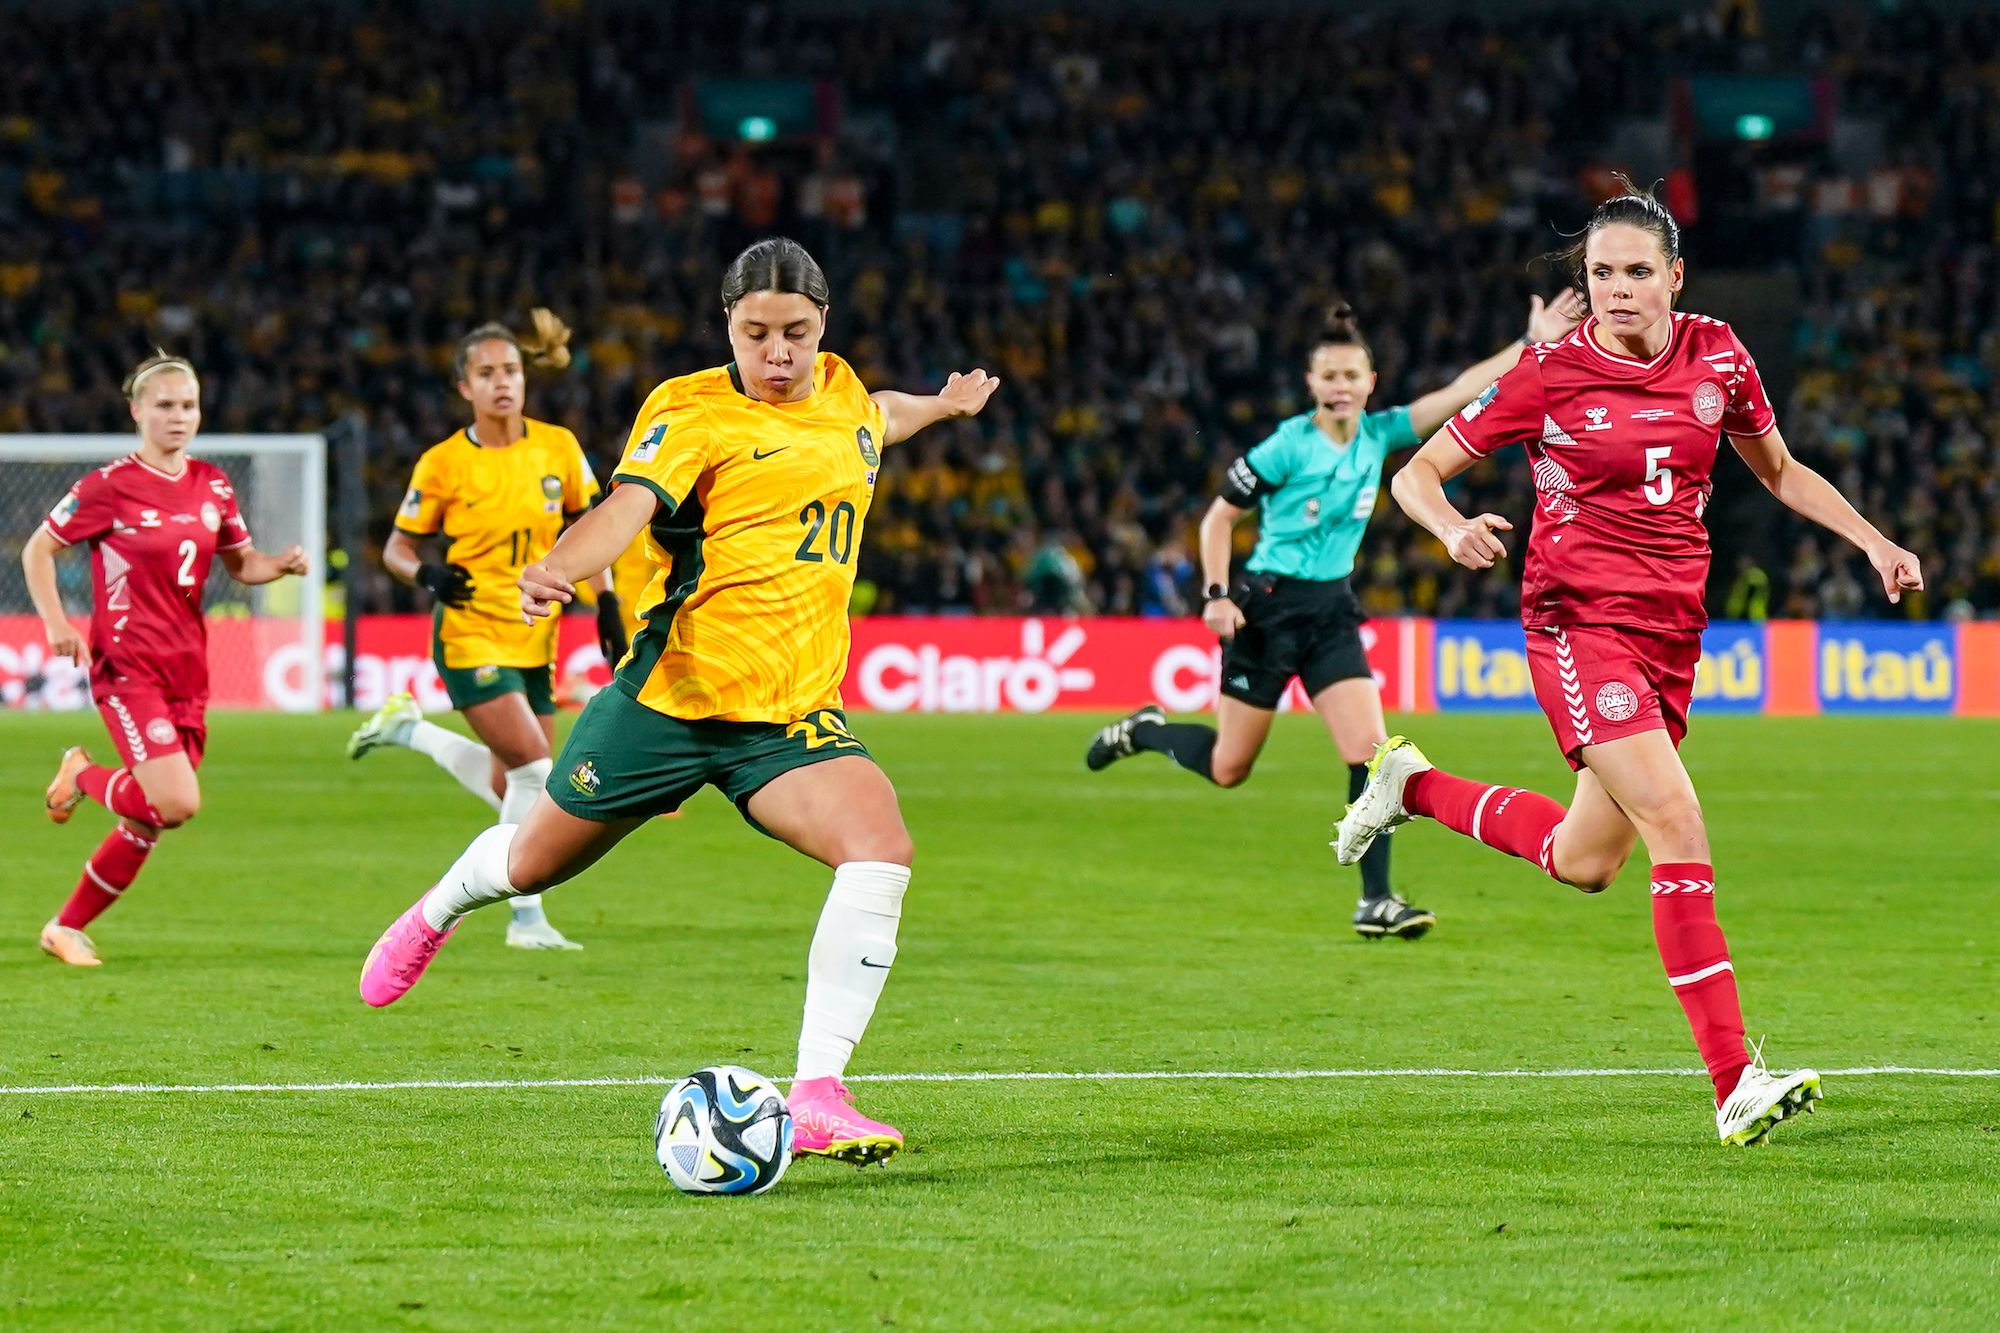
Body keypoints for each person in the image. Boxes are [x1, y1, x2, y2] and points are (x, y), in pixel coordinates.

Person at [357, 238, 1000, 1167]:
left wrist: (940, 404)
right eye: (756, 333)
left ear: (824, 325)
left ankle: (819, 1091)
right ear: (727, 328)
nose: (777, 352)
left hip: (786, 717)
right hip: (671, 698)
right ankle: (437, 909)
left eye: (796, 332)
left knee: (880, 845)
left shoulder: (846, 392)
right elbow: (624, 509)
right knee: (533, 865)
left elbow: (875, 420)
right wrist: (557, 567)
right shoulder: (690, 408)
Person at [1337, 184, 1924, 1145]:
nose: (1616, 289)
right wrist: (1448, 530)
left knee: (1585, 859)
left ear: (1674, 278)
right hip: (1575, 623)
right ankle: (1735, 1080)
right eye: (1601, 273)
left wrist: (1873, 539)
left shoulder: (1720, 354)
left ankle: (1410, 783)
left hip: (1670, 634)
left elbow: (1777, 469)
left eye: (1636, 271)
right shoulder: (1547, 372)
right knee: (1675, 817)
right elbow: (1414, 472)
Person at [1087, 293, 1585, 940]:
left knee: (1373, 757)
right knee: (1227, 767)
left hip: (1330, 611)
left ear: (1370, 382)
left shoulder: (1381, 435)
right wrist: (1213, 594)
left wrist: (1529, 341)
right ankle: (1145, 731)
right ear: (1312, 383)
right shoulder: (1285, 447)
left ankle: (1375, 900)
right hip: (1266, 611)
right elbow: (1218, 517)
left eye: (1353, 375)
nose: (1342, 386)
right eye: (1330, 375)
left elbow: (1464, 388)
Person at [346, 310, 627, 951]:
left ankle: (407, 729)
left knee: (514, 784)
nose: (503, 382)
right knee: (534, 773)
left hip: (536, 632)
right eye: (487, 373)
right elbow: (396, 548)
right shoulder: (444, 462)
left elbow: (590, 530)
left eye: (512, 370)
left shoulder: (558, 446)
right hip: (469, 634)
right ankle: (524, 920)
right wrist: (431, 577)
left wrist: (605, 602)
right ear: (464, 387)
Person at [29, 353, 309, 965]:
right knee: (177, 801)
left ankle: (65, 928)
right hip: (128, 666)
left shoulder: (213, 483)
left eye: (187, 405)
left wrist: (279, 565)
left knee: (152, 819)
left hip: (189, 668)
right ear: (137, 411)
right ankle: (79, 772)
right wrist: (56, 621)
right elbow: (38, 550)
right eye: (164, 405)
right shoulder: (108, 487)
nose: (178, 416)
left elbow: (243, 564)